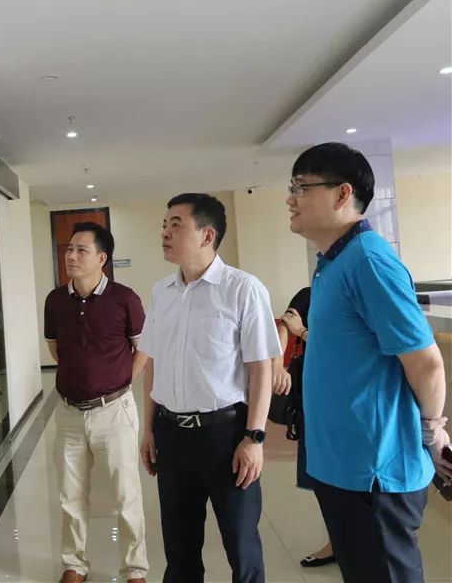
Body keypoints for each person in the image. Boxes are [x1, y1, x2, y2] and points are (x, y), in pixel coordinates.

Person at [286, 142, 450, 582]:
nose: (290, 199)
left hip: (373, 472)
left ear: (342, 194)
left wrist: (432, 430)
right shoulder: (333, 261)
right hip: (341, 466)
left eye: (301, 188)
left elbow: (426, 363)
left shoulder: (369, 261)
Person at [138, 193, 280, 583]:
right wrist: (148, 429)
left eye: (176, 224)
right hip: (171, 435)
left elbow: (260, 369)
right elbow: (152, 364)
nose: (165, 233)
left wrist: (254, 437)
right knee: (179, 548)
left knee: (241, 546)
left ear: (207, 235)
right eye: (164, 225)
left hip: (226, 436)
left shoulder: (243, 289)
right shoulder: (161, 292)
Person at [44, 222, 148, 583]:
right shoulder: (55, 300)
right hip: (69, 413)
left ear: (101, 258)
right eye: (69, 249)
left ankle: (135, 569)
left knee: (126, 495)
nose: (71, 256)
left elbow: (143, 348)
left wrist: (119, 381)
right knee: (70, 497)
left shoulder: (125, 298)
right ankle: (74, 565)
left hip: (114, 412)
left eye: (81, 250)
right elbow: (56, 349)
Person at [271, 287, 336, 567]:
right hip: (315, 394)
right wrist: (277, 364)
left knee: (349, 477)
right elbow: (286, 325)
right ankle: (336, 542)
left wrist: (304, 333)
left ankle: (360, 541)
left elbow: (345, 348)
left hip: (348, 397)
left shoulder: (357, 294)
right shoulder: (310, 294)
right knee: (321, 475)